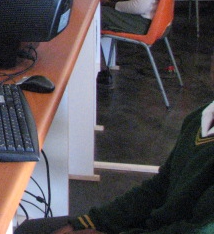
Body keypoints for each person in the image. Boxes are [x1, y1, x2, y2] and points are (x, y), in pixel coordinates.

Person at [14, 97, 214, 233]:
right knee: (30, 230)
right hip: (155, 225)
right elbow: (159, 187)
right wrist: (89, 222)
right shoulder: (201, 116)